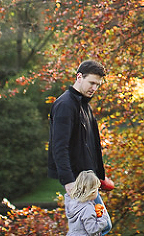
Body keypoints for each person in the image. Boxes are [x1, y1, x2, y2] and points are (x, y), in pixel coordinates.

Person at [48, 60, 108, 195]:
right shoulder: (65, 105)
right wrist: (68, 181)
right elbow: (59, 146)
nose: (94, 88)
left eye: (98, 85)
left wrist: (100, 176)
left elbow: (91, 145)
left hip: (89, 181)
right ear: (79, 77)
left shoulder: (85, 105)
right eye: (92, 83)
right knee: (91, 217)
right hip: (76, 183)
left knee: (101, 217)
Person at [65, 170, 112, 236]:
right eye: (97, 189)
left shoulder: (73, 202)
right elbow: (92, 230)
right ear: (92, 192)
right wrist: (103, 218)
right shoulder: (88, 208)